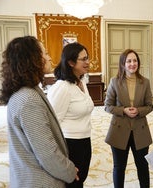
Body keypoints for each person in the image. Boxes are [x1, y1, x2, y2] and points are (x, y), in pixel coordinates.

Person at [0, 36, 78, 187]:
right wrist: (69, 171)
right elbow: (47, 153)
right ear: (32, 59)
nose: (49, 57)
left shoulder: (25, 92)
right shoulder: (29, 99)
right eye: (45, 53)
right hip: (39, 180)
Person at [47, 42, 94, 188]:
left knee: (81, 179)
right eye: (84, 59)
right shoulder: (62, 87)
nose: (88, 62)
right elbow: (51, 123)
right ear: (71, 62)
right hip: (70, 144)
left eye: (88, 58)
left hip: (85, 140)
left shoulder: (81, 82)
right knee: (72, 182)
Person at [104, 49, 153, 188]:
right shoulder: (114, 82)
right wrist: (123, 110)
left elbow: (150, 106)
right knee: (119, 167)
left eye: (135, 60)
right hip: (119, 130)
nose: (132, 64)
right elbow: (107, 106)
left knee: (142, 166)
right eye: (129, 61)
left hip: (140, 130)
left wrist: (139, 111)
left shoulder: (145, 82)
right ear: (123, 64)